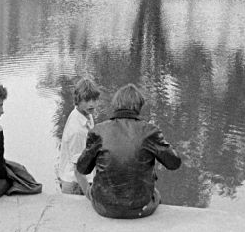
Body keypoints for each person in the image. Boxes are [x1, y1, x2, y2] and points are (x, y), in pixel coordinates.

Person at [76, 83, 181, 219]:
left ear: (116, 105)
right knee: (156, 194)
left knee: (95, 187)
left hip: (104, 206)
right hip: (141, 207)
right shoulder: (150, 131)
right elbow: (174, 163)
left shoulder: (98, 131)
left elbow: (82, 168)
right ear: (139, 106)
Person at [56, 77, 101, 195]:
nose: (91, 104)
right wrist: (90, 195)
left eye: (94, 99)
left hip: (82, 178)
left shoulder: (85, 114)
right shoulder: (77, 131)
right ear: (78, 100)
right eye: (86, 100)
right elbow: (78, 170)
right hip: (76, 184)